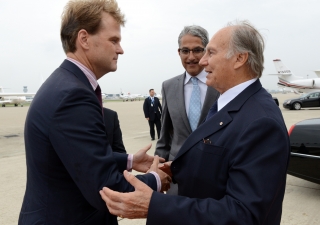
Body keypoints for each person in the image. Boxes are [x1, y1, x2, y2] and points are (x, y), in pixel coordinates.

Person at [100, 20, 291, 225]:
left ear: (239, 59)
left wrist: (153, 205)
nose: (202, 62)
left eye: (210, 53)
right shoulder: (230, 104)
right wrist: (179, 169)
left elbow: (245, 214)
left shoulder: (261, 123)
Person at [18, 1, 170, 224]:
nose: (121, 49)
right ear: (84, 39)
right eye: (114, 40)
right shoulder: (73, 96)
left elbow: (79, 154)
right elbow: (109, 190)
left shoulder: (64, 84)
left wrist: (129, 161)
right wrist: (156, 179)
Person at [155, 25, 219, 194]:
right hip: (177, 178)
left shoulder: (221, 85)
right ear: (179, 53)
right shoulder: (168, 87)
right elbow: (164, 138)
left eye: (197, 50)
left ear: (207, 51)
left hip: (215, 177)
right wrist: (157, 170)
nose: (191, 57)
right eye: (185, 51)